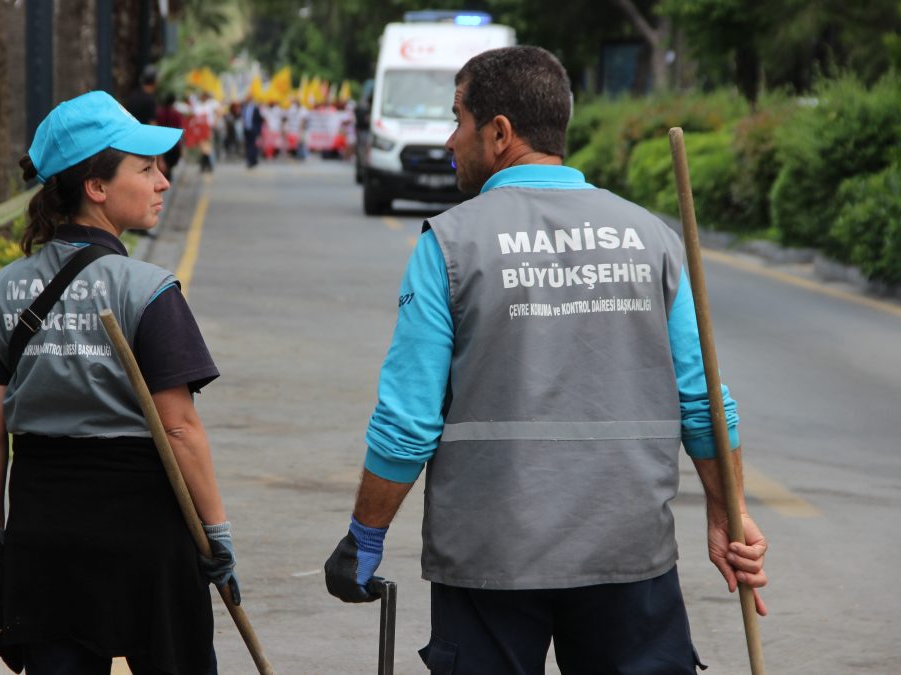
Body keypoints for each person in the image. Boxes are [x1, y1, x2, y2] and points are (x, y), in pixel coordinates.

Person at [323, 46, 768, 674]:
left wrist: (365, 537)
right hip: (628, 555)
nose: (450, 140)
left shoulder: (450, 244)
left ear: (499, 133)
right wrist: (729, 512)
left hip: (491, 561)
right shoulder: (652, 238)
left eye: (458, 119)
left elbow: (407, 422)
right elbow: (703, 404)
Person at [0, 91, 238, 675]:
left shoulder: (2, 291)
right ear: (96, 187)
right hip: (146, 539)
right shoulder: (148, 290)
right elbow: (180, 430)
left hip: (44, 539)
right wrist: (216, 536)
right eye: (145, 168)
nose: (162, 181)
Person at [156, 92, 185, 179]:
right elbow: (180, 129)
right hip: (174, 144)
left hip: (161, 142)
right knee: (170, 165)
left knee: (164, 164)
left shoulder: (159, 112)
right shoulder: (176, 114)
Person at [240, 94, 263, 169]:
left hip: (253, 129)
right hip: (246, 129)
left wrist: (259, 131)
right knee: (248, 145)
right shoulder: (244, 107)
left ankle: (252, 160)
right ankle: (250, 160)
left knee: (253, 145)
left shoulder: (255, 108)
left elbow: (259, 120)